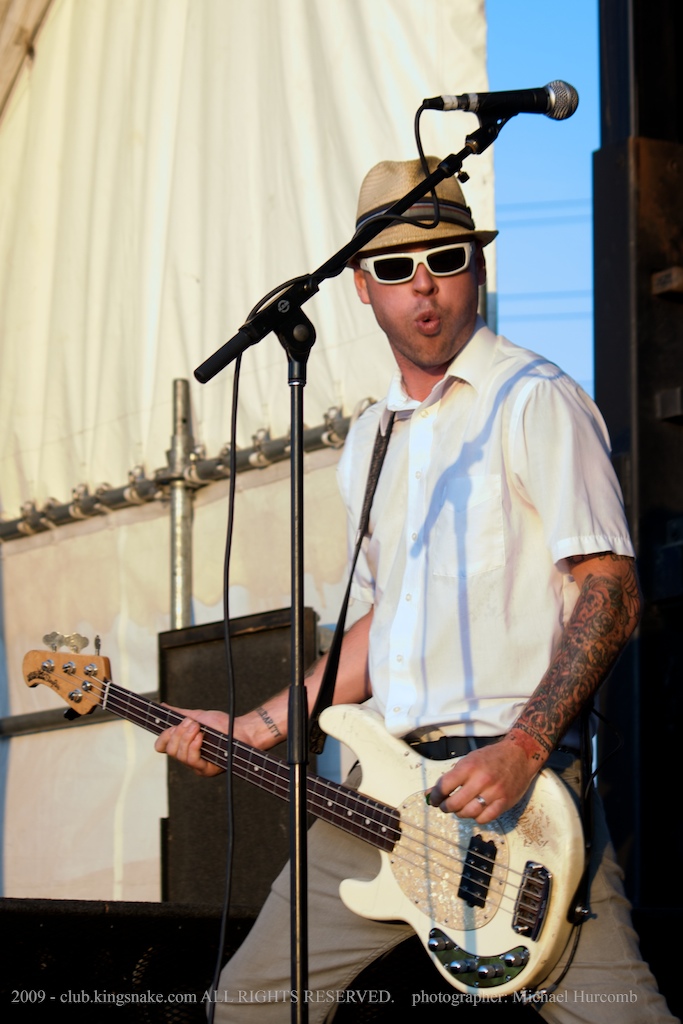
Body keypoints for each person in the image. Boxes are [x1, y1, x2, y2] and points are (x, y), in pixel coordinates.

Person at [156, 157, 678, 1023]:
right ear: (362, 287)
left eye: (445, 259)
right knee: (248, 1005)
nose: (423, 285)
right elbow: (380, 623)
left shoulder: (534, 399)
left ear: (477, 266)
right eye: (395, 267)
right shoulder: (368, 440)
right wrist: (255, 727)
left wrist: (523, 748)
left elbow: (610, 590)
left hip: (514, 792)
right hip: (380, 797)